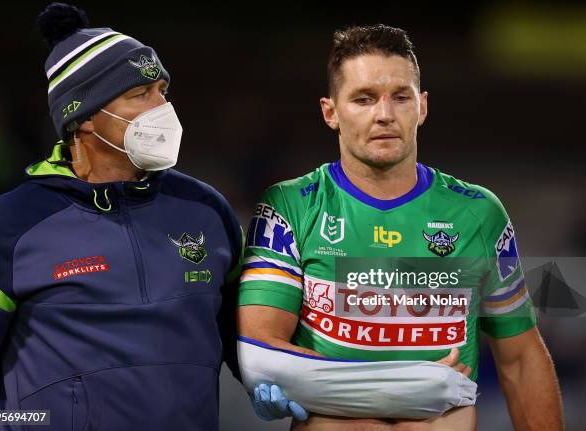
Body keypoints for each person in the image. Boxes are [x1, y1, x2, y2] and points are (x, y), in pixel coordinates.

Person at [237, 24, 564, 430]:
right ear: (330, 112)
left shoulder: (480, 213)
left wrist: (325, 385)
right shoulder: (290, 206)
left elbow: (520, 359)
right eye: (363, 99)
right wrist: (420, 386)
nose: (385, 115)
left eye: (401, 97)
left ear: (422, 106)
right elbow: (263, 353)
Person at [0, 3, 241, 430]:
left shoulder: (207, 210)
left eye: (163, 91)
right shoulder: (10, 227)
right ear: (82, 118)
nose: (163, 107)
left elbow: (252, 345)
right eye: (140, 94)